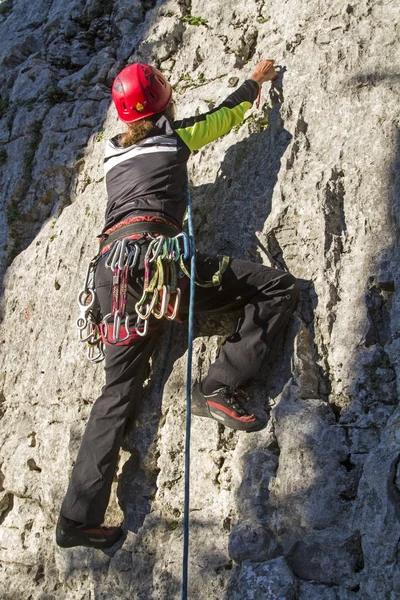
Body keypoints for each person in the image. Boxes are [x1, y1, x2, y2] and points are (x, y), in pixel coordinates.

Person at [56, 60, 300, 549]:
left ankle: (76, 518)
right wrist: (255, 83)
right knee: (278, 288)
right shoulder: (174, 139)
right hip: (160, 264)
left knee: (117, 392)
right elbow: (225, 116)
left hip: (112, 275)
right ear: (165, 100)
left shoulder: (110, 154)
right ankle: (219, 385)